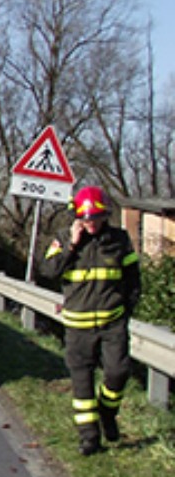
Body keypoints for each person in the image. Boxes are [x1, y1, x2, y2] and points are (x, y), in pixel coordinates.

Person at [42, 185, 140, 456]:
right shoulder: (63, 238)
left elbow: (133, 278)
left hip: (113, 323)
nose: (91, 224)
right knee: (82, 382)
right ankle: (89, 438)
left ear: (104, 215)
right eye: (86, 219)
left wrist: (126, 309)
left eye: (95, 218)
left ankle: (108, 413)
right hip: (78, 327)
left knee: (118, 372)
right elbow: (48, 270)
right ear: (77, 217)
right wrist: (71, 246)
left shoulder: (118, 239)